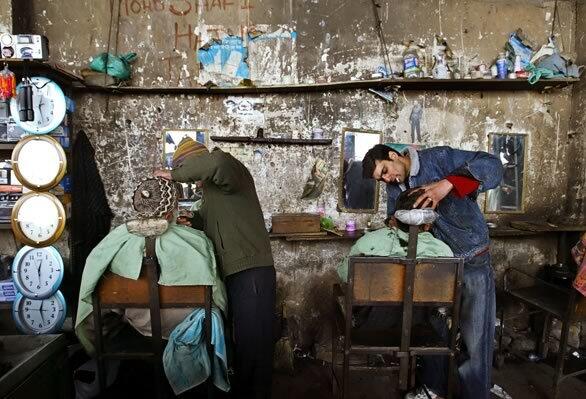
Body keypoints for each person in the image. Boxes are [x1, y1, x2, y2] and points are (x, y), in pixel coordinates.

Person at [362, 144, 503, 399]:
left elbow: (493, 166)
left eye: (385, 170)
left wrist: (447, 183)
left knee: (476, 333)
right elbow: (396, 220)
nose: (387, 179)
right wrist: (395, 222)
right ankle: (433, 388)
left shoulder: (438, 159)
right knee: (432, 330)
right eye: (380, 178)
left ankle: (474, 394)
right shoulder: (394, 187)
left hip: (471, 256)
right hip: (435, 266)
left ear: (393, 156)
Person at [155, 138, 275, 399]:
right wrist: (194, 220)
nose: (194, 179)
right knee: (245, 341)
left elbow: (216, 163)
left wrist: (172, 175)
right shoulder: (212, 193)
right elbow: (215, 224)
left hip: (252, 268)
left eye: (190, 169)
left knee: (255, 343)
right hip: (237, 270)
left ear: (198, 162)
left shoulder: (229, 169)